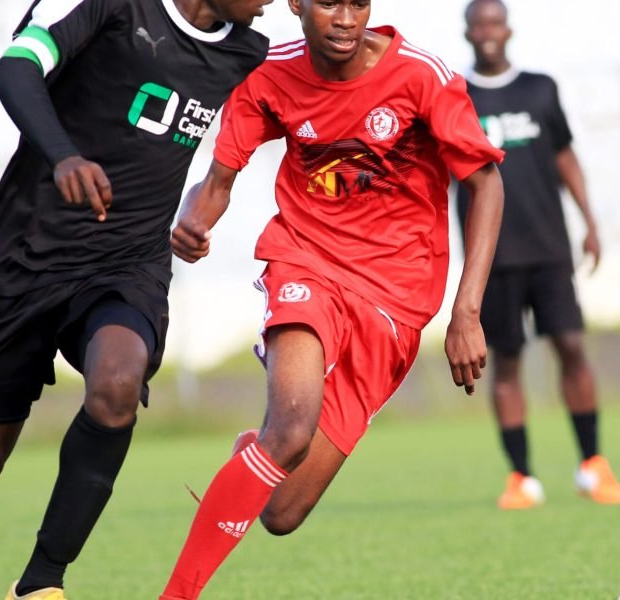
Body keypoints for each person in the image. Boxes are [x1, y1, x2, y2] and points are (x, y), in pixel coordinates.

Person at [0, 0, 272, 598]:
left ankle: (41, 583)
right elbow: (15, 67)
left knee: (118, 385)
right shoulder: (114, 6)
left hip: (127, 265)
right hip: (25, 257)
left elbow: (246, 147)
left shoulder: (248, 52)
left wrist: (196, 218)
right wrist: (63, 154)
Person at [156, 0, 506, 597]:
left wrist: (466, 310)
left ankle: (255, 455)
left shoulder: (422, 76)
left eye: (358, 3)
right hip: (306, 262)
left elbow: (486, 183)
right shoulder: (269, 73)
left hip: (396, 299)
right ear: (295, 4)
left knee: (280, 512)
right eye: (328, 3)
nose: (345, 19)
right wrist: (192, 221)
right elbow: (216, 182)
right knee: (292, 429)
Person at [459, 0, 620, 510]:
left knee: (571, 346)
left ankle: (592, 464)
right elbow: (438, 172)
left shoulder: (540, 88)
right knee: (506, 361)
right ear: (467, 33)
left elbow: (564, 155)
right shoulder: (455, 94)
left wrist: (590, 220)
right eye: (478, 24)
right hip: (492, 257)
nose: (488, 31)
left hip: (549, 248)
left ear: (508, 30)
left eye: (495, 22)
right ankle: (521, 477)